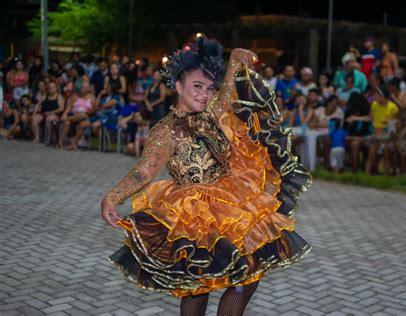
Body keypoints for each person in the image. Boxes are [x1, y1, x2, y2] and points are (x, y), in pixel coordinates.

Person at [100, 36, 312, 316]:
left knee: (246, 276)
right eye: (197, 86)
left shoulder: (212, 110)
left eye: (209, 88)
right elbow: (143, 171)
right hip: (192, 214)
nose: (204, 94)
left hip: (231, 203)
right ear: (178, 86)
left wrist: (236, 56)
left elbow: (227, 88)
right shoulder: (166, 131)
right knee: (197, 284)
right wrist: (111, 198)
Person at [365, 86, 399, 175]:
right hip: (376, 132)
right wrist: (355, 118)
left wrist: (389, 121)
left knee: (386, 155)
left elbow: (398, 122)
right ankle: (366, 174)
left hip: (387, 133)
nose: (375, 97)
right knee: (371, 154)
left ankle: (386, 175)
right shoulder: (374, 105)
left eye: (377, 95)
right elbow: (370, 118)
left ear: (383, 96)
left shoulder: (392, 107)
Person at [58, 81, 96, 150]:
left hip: (84, 116)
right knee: (66, 123)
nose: (83, 88)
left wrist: (89, 111)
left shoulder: (92, 97)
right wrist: (64, 114)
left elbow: (93, 110)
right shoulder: (75, 96)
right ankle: (60, 142)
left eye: (85, 87)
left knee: (83, 116)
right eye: (82, 87)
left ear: (88, 88)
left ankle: (67, 119)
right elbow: (69, 107)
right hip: (73, 114)